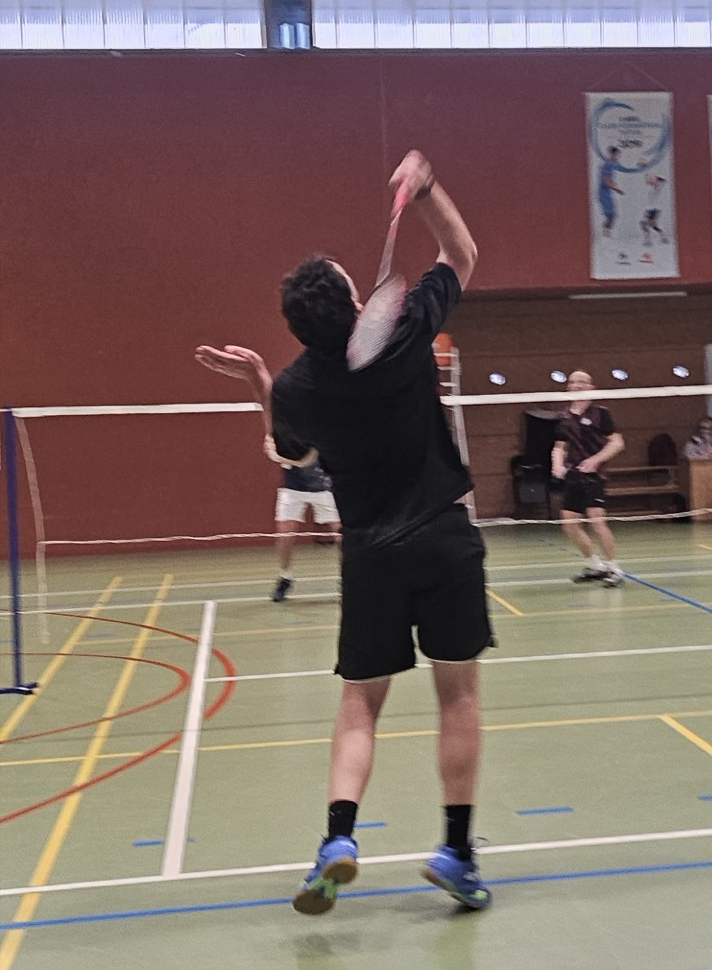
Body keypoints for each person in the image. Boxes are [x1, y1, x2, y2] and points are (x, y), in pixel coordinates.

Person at [195, 151, 494, 913]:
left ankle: (337, 839)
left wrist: (259, 383)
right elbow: (461, 253)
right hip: (443, 535)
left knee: (361, 703)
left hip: (370, 554)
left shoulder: (299, 385)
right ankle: (456, 854)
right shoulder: (403, 331)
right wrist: (426, 189)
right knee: (456, 696)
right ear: (355, 300)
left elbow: (291, 453)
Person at [551, 371, 625, 586]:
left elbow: (617, 443)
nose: (577, 385)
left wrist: (595, 460)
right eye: (573, 382)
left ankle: (615, 569)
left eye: (582, 382)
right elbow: (559, 446)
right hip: (573, 475)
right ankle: (595, 565)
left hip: (594, 476)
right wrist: (557, 464)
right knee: (569, 524)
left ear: (591, 387)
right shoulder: (564, 417)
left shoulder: (601, 413)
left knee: (597, 521)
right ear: (568, 387)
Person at [271, 458, 339, 602]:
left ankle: (347, 580)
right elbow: (272, 451)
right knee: (284, 534)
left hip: (325, 486)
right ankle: (285, 577)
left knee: (341, 535)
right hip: (292, 488)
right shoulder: (285, 441)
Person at [639, 172, 669, 258]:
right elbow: (648, 181)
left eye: (655, 178)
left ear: (658, 180)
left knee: (645, 223)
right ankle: (662, 237)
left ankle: (649, 239)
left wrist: (655, 178)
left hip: (653, 209)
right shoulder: (651, 186)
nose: (652, 179)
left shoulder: (658, 187)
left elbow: (657, 182)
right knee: (651, 225)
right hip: (651, 209)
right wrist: (646, 174)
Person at [597, 146, 624, 238]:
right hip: (603, 193)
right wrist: (617, 189)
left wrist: (615, 185)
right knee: (611, 214)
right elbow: (605, 181)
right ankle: (605, 235)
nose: (618, 157)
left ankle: (606, 234)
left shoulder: (610, 165)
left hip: (607, 193)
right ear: (612, 154)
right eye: (617, 155)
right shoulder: (607, 165)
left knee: (612, 215)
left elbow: (609, 180)